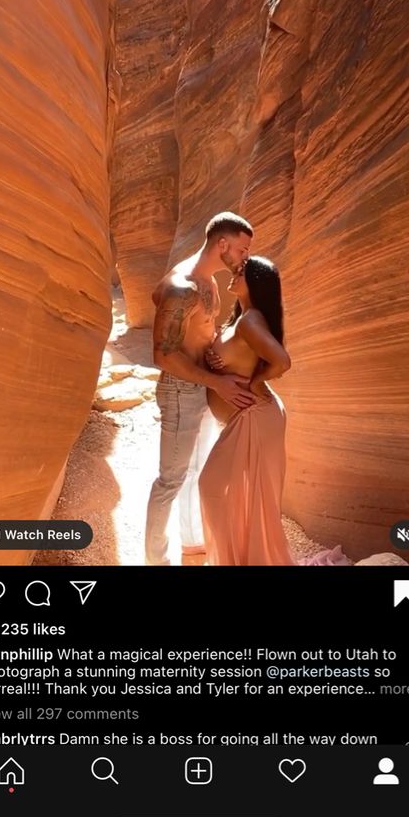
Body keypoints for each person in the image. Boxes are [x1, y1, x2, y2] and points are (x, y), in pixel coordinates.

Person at [145, 212, 255, 566]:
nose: (244, 257)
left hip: (203, 386)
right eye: (241, 249)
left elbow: (156, 295)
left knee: (198, 472)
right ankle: (155, 561)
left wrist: (211, 348)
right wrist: (215, 380)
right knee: (170, 481)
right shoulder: (183, 286)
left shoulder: (206, 281)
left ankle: (192, 546)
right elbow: (162, 355)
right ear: (222, 245)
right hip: (181, 390)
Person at [199, 256, 295, 566]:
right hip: (247, 418)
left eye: (241, 271)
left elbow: (282, 361)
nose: (234, 272)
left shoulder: (251, 320)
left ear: (255, 282)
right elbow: (239, 354)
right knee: (235, 494)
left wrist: (255, 382)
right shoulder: (240, 318)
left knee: (212, 487)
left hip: (256, 416)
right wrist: (216, 362)